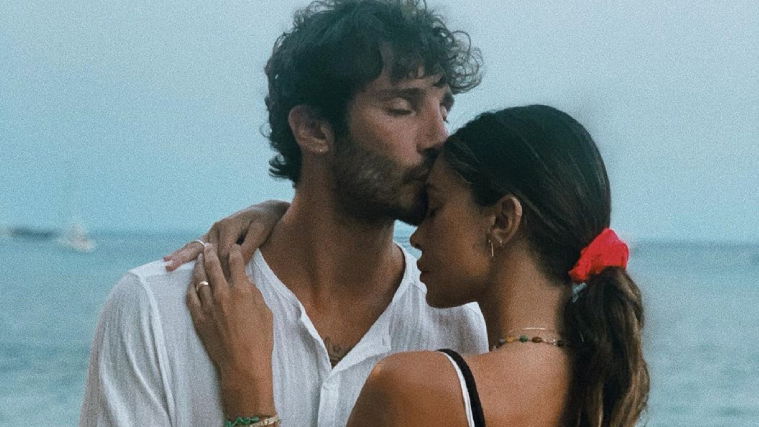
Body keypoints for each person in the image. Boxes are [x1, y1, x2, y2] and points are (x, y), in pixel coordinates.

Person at [80, 1, 488, 426]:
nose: (440, 137)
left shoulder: (463, 327)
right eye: (402, 108)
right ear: (313, 129)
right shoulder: (157, 308)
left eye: (444, 110)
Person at [188, 105, 650, 426]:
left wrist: (248, 391)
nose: (417, 235)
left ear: (502, 221)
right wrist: (286, 217)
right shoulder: (601, 386)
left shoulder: (418, 389)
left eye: (435, 208)